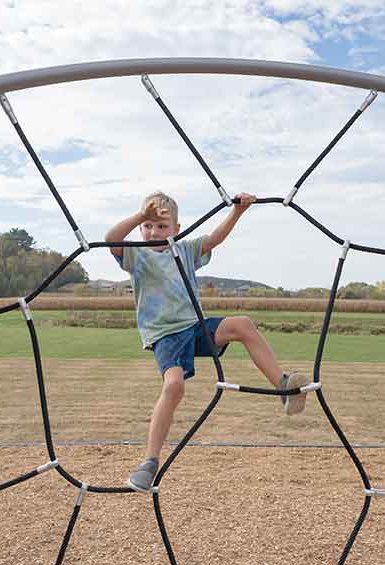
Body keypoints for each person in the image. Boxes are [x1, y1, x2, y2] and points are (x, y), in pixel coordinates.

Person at [106, 191, 309, 492]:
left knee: (242, 324)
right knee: (174, 387)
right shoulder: (137, 255)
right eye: (147, 226)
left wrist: (238, 211)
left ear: (176, 229)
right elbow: (111, 239)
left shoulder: (185, 250)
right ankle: (149, 462)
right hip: (165, 334)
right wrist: (140, 216)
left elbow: (214, 239)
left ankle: (282, 385)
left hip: (195, 326)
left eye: (161, 226)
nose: (153, 232)